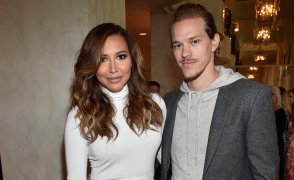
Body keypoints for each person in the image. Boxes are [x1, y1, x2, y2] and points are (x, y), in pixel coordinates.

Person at [160, 3, 279, 180]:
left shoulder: (251, 97)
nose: (185, 53)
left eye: (194, 41)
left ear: (214, 41)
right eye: (177, 45)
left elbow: (266, 175)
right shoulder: (169, 102)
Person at [64, 23, 166, 180]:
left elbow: (165, 165)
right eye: (103, 59)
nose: (113, 68)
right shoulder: (80, 114)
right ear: (92, 65)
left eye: (121, 57)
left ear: (132, 59)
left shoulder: (154, 103)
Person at [271, 86, 290, 180]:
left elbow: (278, 132)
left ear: (278, 96)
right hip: (270, 144)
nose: (270, 96)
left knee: (277, 170)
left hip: (277, 144)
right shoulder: (269, 110)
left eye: (272, 94)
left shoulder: (281, 112)